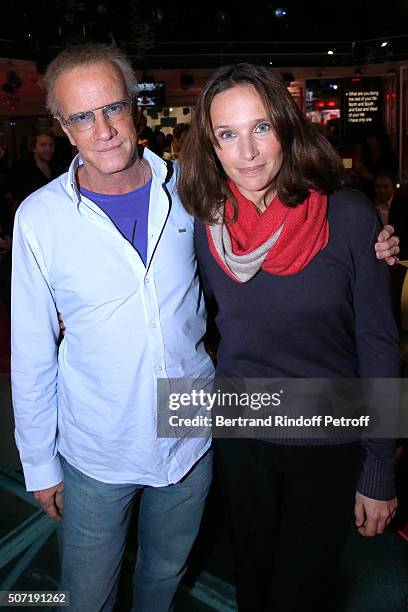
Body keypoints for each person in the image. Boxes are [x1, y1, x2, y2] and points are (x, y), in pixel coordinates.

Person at [178, 63, 401, 612]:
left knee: (299, 593)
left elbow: (378, 343)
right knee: (253, 588)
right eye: (228, 134)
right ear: (211, 145)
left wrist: (379, 466)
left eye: (260, 128)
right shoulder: (205, 222)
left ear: (286, 126)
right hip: (242, 429)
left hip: (327, 431)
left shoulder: (347, 216)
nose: (247, 152)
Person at [11, 43, 214, 612]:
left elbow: (259, 249)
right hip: (96, 449)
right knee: (87, 598)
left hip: (189, 437)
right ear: (62, 127)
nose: (102, 130)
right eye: (82, 116)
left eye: (113, 109)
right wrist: (39, 463)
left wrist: (364, 244)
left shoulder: (189, 189)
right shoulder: (40, 218)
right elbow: (31, 351)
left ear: (134, 108)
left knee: (162, 579)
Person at [8, 128, 58, 214]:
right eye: (43, 145)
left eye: (51, 145)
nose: (48, 149)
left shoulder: (58, 166)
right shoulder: (21, 169)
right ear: (34, 148)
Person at [373, 170, 408, 259]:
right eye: (378, 187)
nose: (381, 190)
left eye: (385, 187)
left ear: (393, 188)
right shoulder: (368, 205)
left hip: (400, 253)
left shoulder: (404, 206)